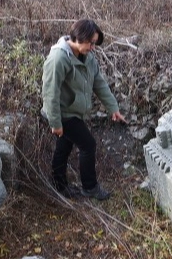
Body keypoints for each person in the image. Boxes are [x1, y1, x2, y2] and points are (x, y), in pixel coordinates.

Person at [41, 19, 126, 200]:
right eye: (91, 42)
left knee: (64, 147)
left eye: (95, 43)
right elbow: (50, 93)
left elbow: (99, 83)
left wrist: (113, 108)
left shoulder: (87, 57)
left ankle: (59, 186)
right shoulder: (58, 59)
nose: (93, 47)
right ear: (78, 38)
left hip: (74, 112)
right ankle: (90, 187)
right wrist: (55, 122)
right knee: (88, 145)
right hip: (63, 113)